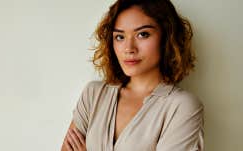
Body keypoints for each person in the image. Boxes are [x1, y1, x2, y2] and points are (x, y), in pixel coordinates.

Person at [61, 0, 204, 150]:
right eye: (120, 37)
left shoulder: (182, 107)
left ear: (167, 37)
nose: (129, 48)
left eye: (143, 34)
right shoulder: (93, 95)